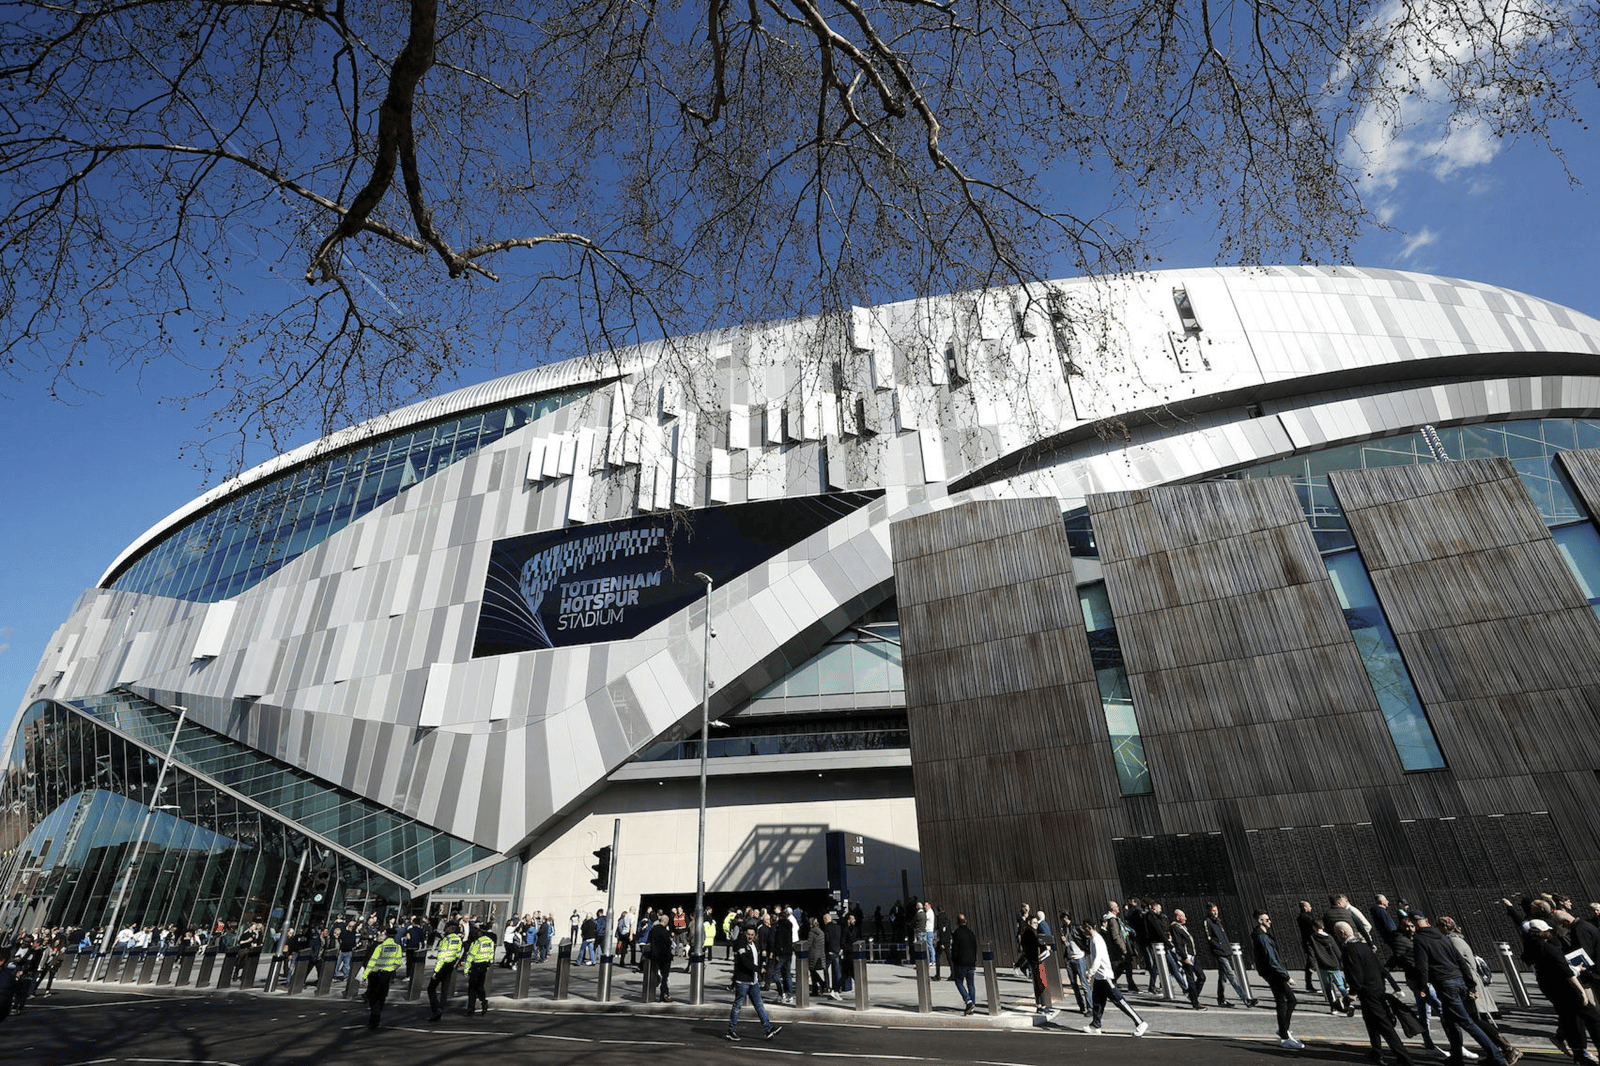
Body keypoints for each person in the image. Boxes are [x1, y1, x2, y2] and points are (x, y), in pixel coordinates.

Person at [1411, 912, 1508, 1066]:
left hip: (1445, 984)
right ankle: (1456, 1058)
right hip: (1459, 981)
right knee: (1451, 1022)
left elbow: (1422, 966)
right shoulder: (1442, 937)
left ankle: (1497, 1057)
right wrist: (1470, 984)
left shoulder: (1420, 940)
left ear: (1413, 923)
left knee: (1467, 1022)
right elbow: (1460, 961)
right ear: (1427, 921)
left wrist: (1422, 986)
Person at [1438, 915, 1520, 1064]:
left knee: (1474, 1019)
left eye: (1438, 926)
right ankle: (1495, 1052)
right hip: (1469, 982)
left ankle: (1507, 1048)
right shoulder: (1457, 939)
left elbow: (1460, 965)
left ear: (1443, 927)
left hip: (1467, 983)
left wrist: (1470, 987)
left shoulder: (1453, 941)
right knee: (1472, 1018)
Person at [1336, 920, 1414, 1066]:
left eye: (1336, 933)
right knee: (1370, 1022)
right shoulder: (1364, 946)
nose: (1336, 936)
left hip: (1368, 992)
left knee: (1384, 1026)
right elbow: (1380, 968)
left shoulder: (1349, 950)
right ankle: (1376, 1052)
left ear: (1342, 933)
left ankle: (1405, 1059)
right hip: (1377, 988)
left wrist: (1352, 993)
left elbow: (1355, 974)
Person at [1526, 918, 1600, 1064]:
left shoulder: (1532, 948)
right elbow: (1567, 973)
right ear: (1543, 933)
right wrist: (1581, 991)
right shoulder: (1549, 948)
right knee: (1593, 1018)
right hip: (1567, 989)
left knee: (1571, 1019)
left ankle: (1579, 1053)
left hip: (1552, 990)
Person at [1078, 914, 1148, 1037]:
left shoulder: (1096, 939)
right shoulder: (1094, 939)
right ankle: (1096, 1024)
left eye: (1084, 929)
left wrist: (1091, 972)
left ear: (1088, 928)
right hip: (1100, 977)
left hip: (1105, 976)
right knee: (1098, 1001)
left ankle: (1140, 1022)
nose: (1084, 931)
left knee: (1119, 1000)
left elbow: (1098, 958)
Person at [1252, 909, 1302, 1050]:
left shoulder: (1264, 936)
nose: (1269, 922)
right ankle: (1284, 1034)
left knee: (1285, 1000)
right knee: (1287, 1000)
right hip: (1273, 973)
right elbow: (1272, 960)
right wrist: (1286, 976)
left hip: (1272, 972)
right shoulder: (1261, 937)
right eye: (1266, 919)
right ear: (1260, 921)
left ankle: (1283, 1030)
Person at [726, 925, 784, 1041]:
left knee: (759, 1005)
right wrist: (758, 969)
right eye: (748, 934)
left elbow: (754, 959)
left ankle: (768, 1028)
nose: (750, 937)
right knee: (737, 1006)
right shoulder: (741, 944)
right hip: (743, 981)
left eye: (752, 935)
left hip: (753, 981)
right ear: (744, 934)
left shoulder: (753, 944)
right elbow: (744, 962)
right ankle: (731, 1030)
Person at [1204, 902, 1257, 1007]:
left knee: (1223, 977)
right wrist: (1219, 947)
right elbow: (1209, 938)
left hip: (1225, 952)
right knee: (1231, 975)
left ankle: (1221, 999)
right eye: (1213, 910)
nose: (1215, 912)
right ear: (1208, 911)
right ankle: (1246, 999)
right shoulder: (1208, 922)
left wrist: (1227, 949)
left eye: (1216, 910)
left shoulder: (1218, 922)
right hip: (1220, 953)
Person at [359, 927, 405, 1030]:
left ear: (387, 935)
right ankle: (377, 1015)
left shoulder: (381, 947)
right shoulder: (397, 947)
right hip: (386, 975)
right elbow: (398, 962)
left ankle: (374, 1018)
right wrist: (391, 969)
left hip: (375, 973)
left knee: (373, 997)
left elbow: (372, 961)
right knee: (382, 996)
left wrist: (365, 975)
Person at [1309, 919, 1354, 1015]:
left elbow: (1311, 953)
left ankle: (1333, 1008)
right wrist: (1344, 963)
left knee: (1328, 988)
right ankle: (1349, 1004)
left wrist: (1312, 965)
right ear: (1323, 927)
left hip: (1322, 966)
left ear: (1314, 927)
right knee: (1341, 986)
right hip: (1334, 965)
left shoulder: (1312, 938)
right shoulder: (1330, 938)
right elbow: (1337, 952)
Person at [1170, 909, 1208, 1011]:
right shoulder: (1174, 927)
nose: (1185, 918)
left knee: (1201, 977)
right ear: (1178, 917)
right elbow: (1178, 943)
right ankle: (1195, 1002)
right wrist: (1184, 957)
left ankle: (1192, 995)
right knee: (1190, 979)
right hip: (1187, 956)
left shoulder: (1182, 927)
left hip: (1193, 955)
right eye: (1183, 916)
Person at [427, 921, 464, 1021]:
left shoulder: (445, 940)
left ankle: (436, 1009)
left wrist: (435, 971)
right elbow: (458, 955)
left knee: (431, 988)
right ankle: (441, 1008)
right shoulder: (458, 940)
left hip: (443, 965)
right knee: (444, 989)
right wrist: (455, 965)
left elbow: (441, 957)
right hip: (451, 965)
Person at [463, 926, 495, 1014]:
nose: (477, 932)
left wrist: (466, 970)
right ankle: (484, 1002)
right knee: (480, 986)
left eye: (478, 931)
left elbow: (470, 956)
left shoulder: (477, 942)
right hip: (484, 965)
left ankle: (471, 1008)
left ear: (481, 932)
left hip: (476, 965)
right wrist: (489, 964)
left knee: (472, 988)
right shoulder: (490, 941)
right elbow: (491, 954)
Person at [951, 914, 979, 1015]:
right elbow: (975, 947)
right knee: (971, 984)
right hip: (971, 962)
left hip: (961, 962)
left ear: (957, 923)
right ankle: (973, 1005)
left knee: (959, 982)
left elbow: (955, 949)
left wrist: (954, 960)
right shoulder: (971, 933)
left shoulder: (957, 933)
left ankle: (968, 1001)